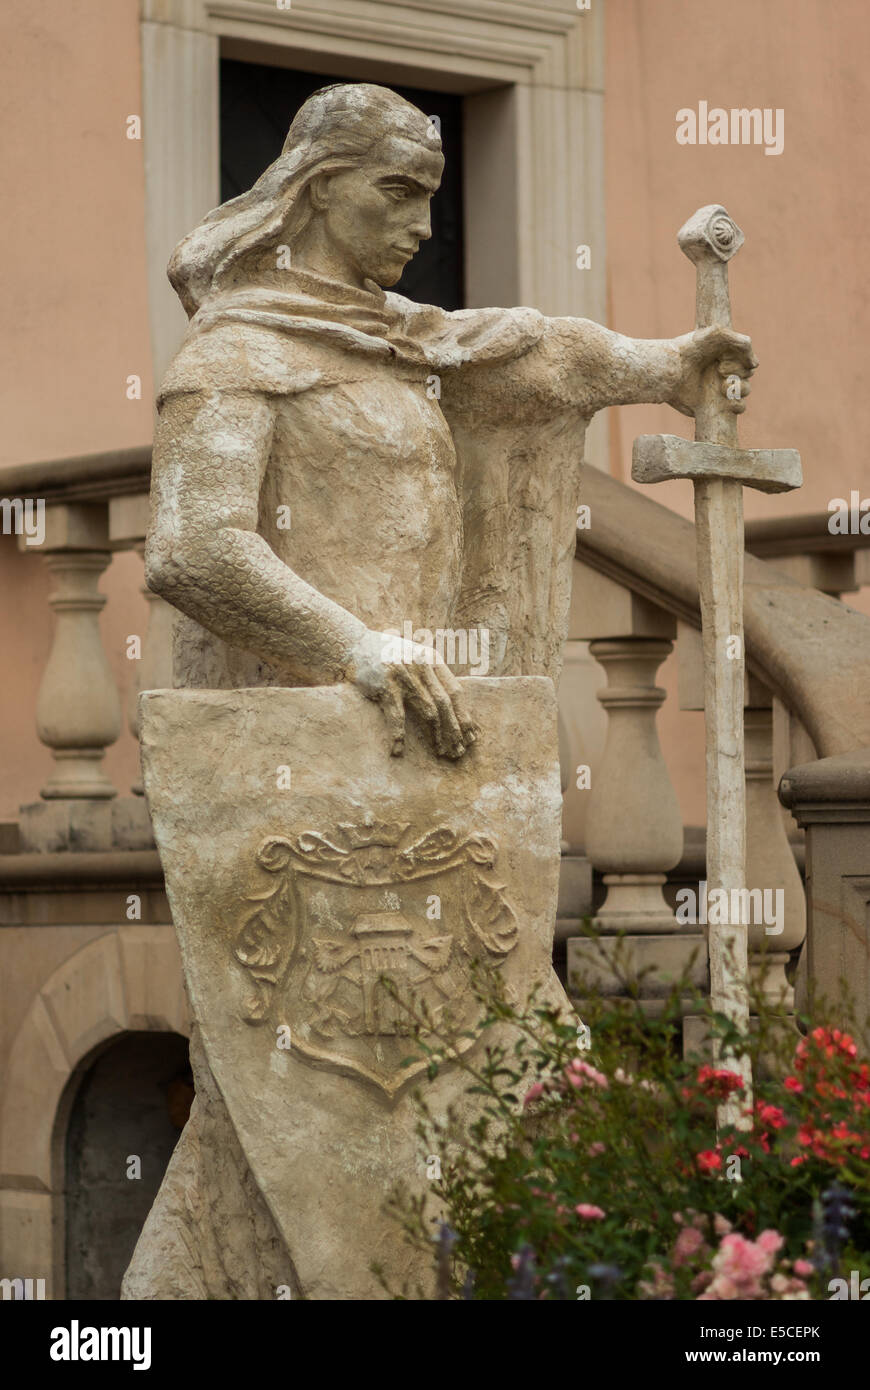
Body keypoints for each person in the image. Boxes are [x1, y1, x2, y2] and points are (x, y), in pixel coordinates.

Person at [146, 81, 755, 762]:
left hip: (430, 716)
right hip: (299, 735)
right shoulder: (232, 350)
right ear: (319, 187)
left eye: (430, 199)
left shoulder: (407, 338)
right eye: (399, 192)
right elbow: (193, 549)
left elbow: (543, 354)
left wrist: (669, 367)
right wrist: (358, 650)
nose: (425, 227)